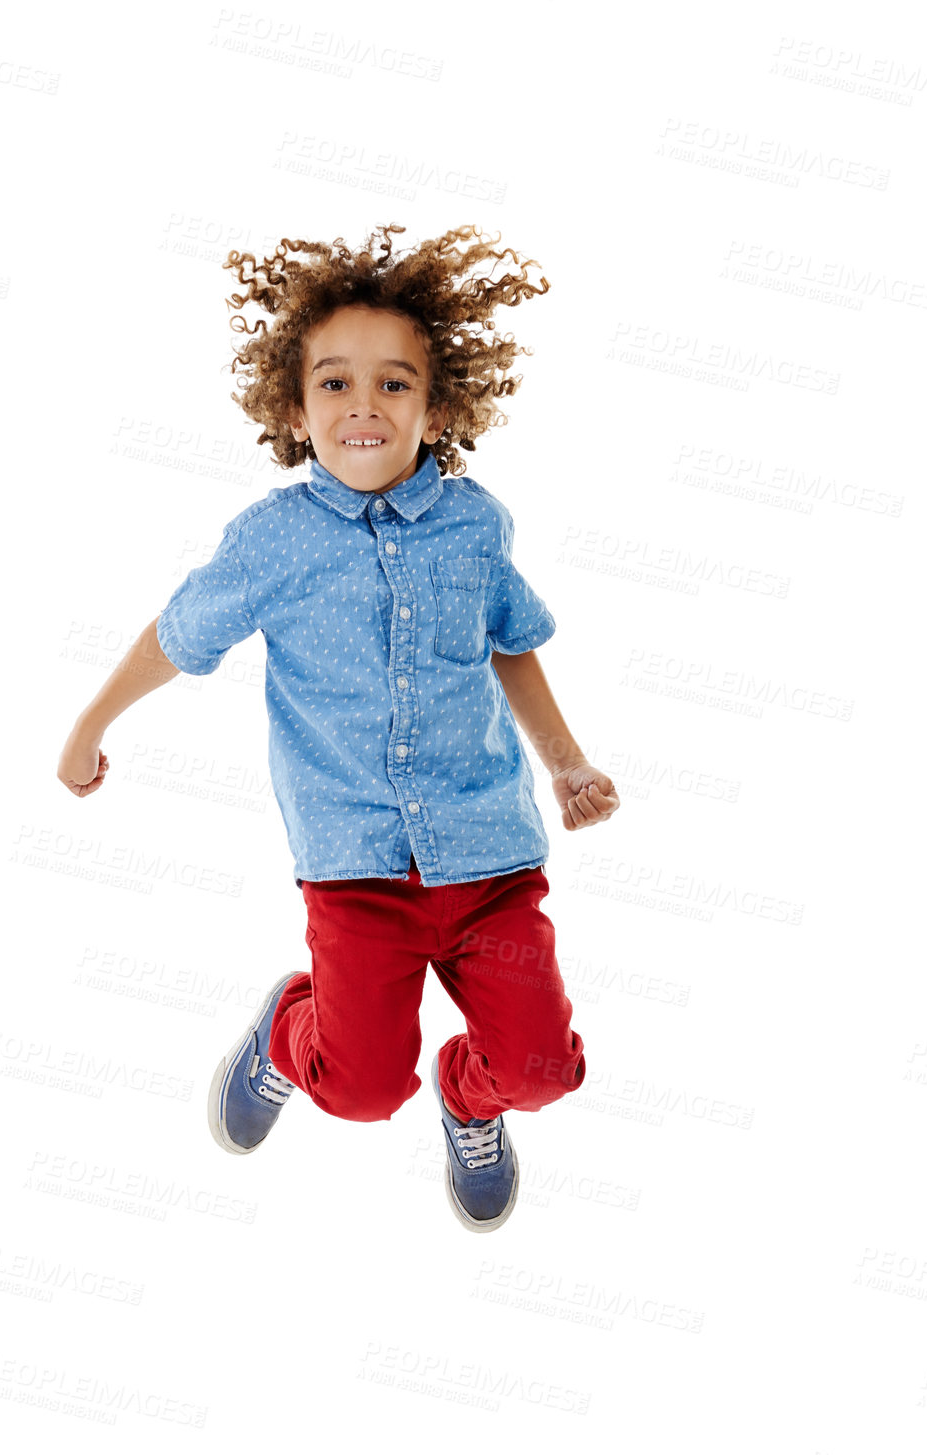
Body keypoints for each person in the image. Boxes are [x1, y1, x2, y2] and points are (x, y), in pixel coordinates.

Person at [57, 223, 620, 1232]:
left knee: (538, 1069)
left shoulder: (473, 523)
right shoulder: (272, 539)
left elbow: (511, 642)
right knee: (359, 1089)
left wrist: (566, 762)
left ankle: (467, 1092)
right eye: (334, 383)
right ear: (293, 405)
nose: (363, 403)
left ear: (437, 403)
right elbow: (178, 636)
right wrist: (90, 723)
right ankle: (288, 1028)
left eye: (394, 384)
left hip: (487, 859)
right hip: (357, 874)